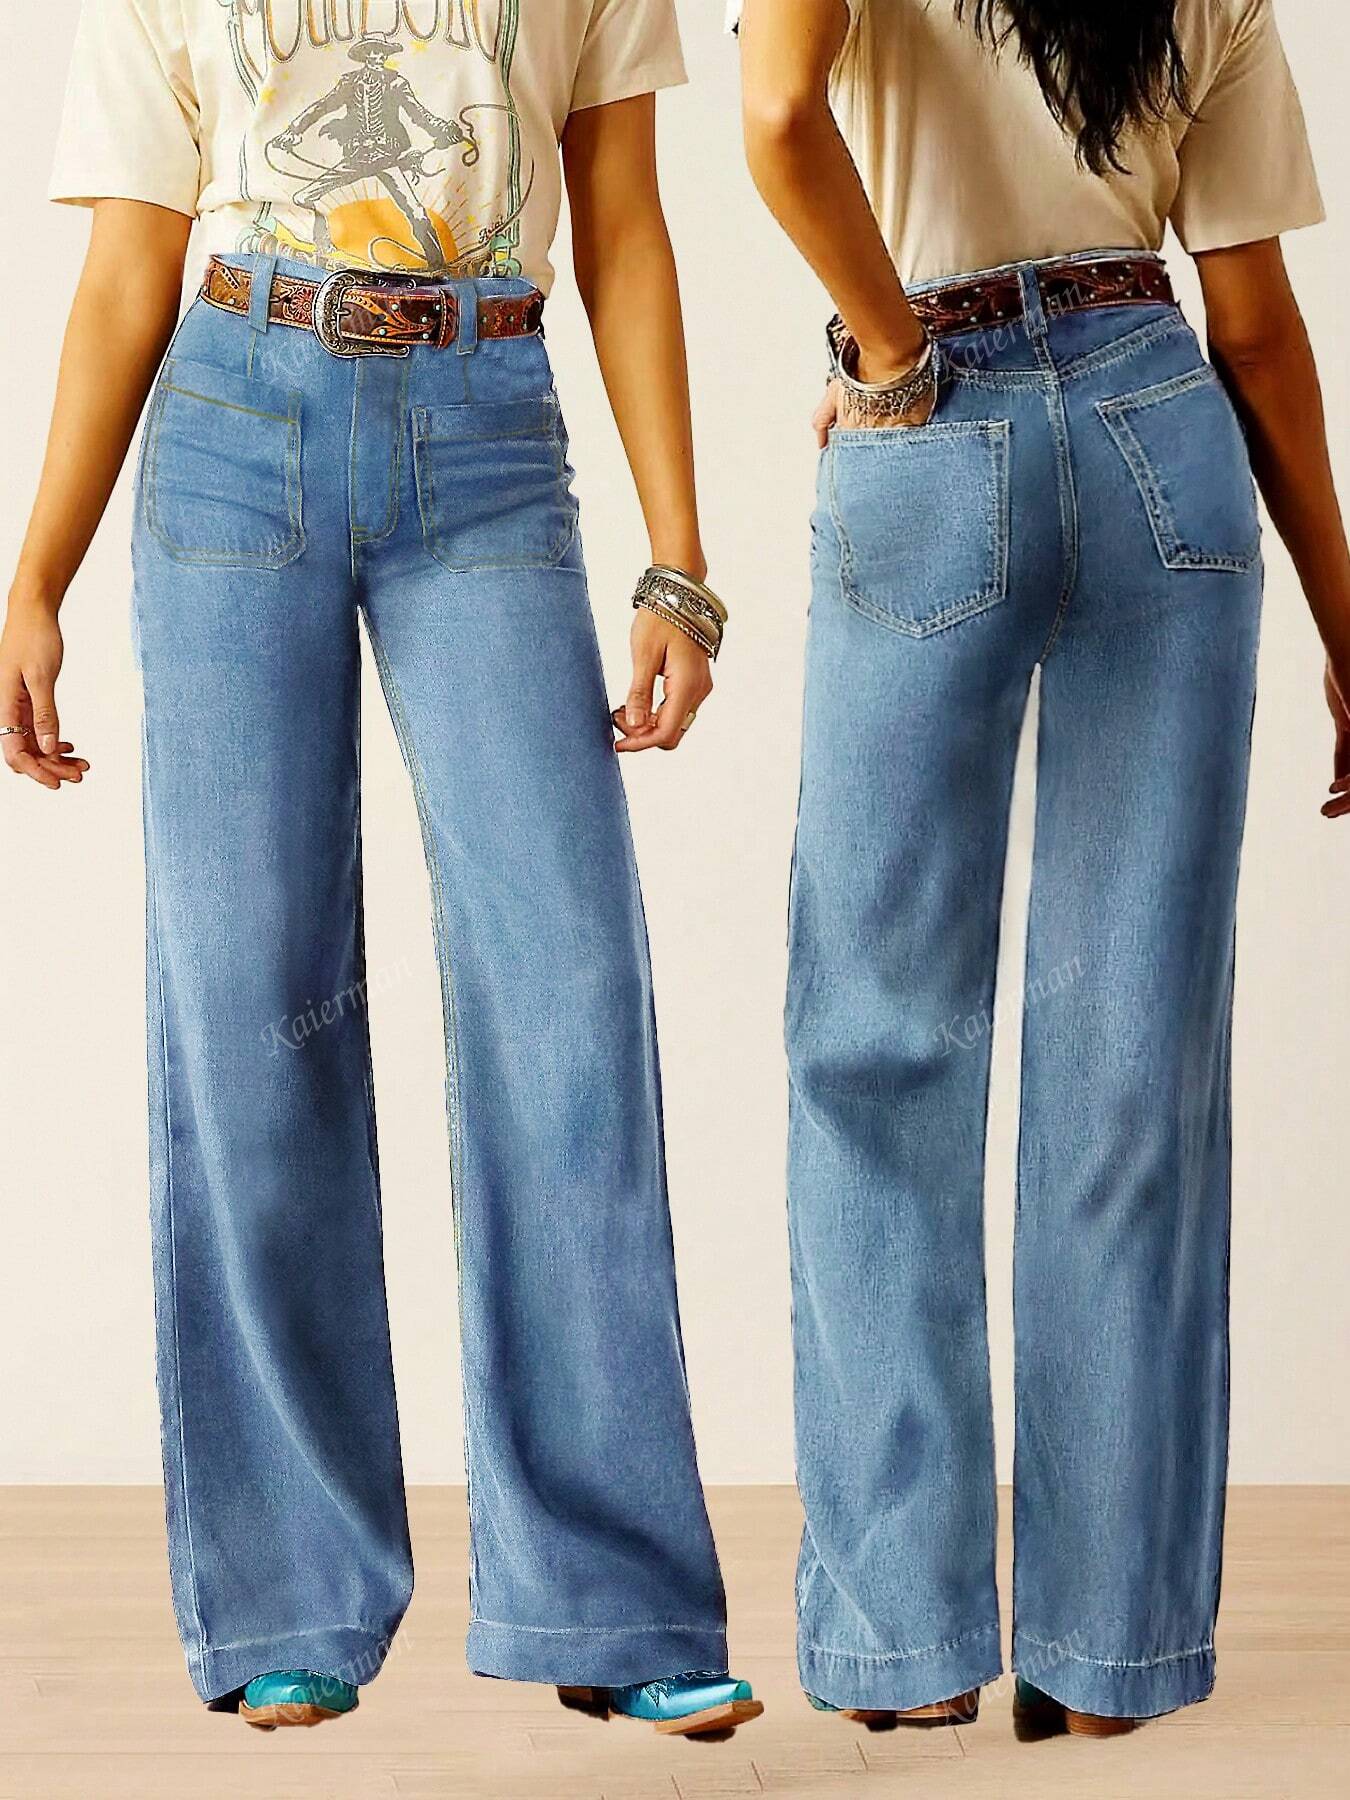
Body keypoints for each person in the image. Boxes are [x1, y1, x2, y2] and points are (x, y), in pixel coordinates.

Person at [1, 0, 762, 1740]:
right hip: (231, 426)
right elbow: (128, 267)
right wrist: (36, 575)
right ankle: (287, 1596)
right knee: (250, 1000)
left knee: (567, 999)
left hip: (486, 437)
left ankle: (613, 1599)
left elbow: (624, 227)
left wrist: (678, 559)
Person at [736, 0, 1341, 1736]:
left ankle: (906, 1647)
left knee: (875, 1051)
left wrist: (888, 356)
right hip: (1163, 430)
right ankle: (1107, 1657)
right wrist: (1344, 623)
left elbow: (777, 115)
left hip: (931, 423)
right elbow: (1254, 327)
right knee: (1130, 1067)